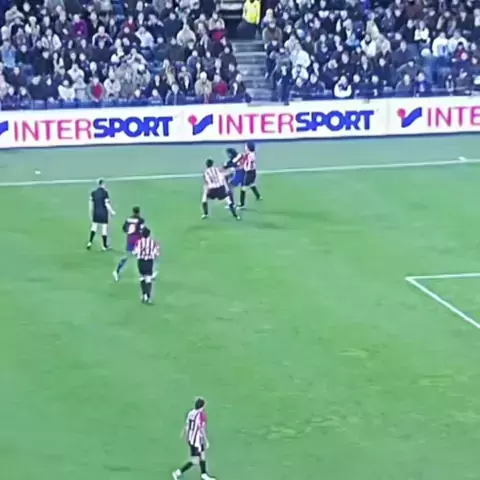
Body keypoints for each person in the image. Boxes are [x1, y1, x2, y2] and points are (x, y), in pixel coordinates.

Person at [172, 398, 216, 480]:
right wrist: (206, 441)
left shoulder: (191, 412)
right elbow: (202, 429)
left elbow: (187, 425)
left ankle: (204, 474)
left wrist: (185, 434)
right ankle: (177, 472)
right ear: (202, 406)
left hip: (193, 438)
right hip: (196, 441)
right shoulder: (201, 415)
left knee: (202, 455)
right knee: (195, 461)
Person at [113, 206, 145, 281]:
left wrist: (129, 233)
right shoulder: (141, 220)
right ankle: (143, 274)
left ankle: (116, 271)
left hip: (130, 240)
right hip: (138, 241)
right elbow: (142, 230)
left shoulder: (128, 219)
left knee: (127, 256)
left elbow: (124, 229)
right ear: (139, 212)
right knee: (142, 257)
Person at [132, 226, 160, 303]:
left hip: (141, 262)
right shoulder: (153, 243)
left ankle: (144, 294)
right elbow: (157, 253)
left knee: (142, 278)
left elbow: (134, 252)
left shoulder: (139, 242)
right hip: (149, 262)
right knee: (148, 279)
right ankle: (148, 296)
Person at [86, 179, 116, 250]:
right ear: (103, 184)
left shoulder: (93, 192)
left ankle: (90, 242)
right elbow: (106, 204)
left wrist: (90, 211)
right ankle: (104, 246)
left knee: (94, 227)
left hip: (96, 212)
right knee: (104, 228)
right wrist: (112, 211)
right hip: (103, 213)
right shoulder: (105, 193)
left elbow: (90, 203)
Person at [239, 142, 261, 209]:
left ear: (248, 148)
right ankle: (258, 196)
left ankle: (242, 204)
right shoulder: (252, 154)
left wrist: (242, 166)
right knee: (251, 184)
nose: (245, 147)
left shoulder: (249, 155)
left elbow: (247, 163)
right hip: (253, 172)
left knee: (243, 188)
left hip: (249, 173)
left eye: (246, 146)